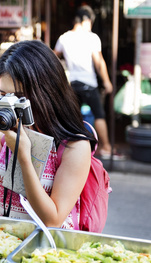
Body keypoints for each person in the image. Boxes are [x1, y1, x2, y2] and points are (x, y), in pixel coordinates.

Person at [0, 40, 97, 229]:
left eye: (19, 98)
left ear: (46, 92)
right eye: (3, 95)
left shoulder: (73, 146)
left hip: (42, 254)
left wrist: (25, 158)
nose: (9, 105)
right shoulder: (6, 134)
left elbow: (52, 220)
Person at [54, 5, 121, 160]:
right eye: (90, 22)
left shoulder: (64, 38)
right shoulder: (91, 37)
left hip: (73, 84)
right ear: (85, 20)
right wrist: (107, 82)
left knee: (71, 116)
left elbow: (53, 56)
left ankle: (67, 147)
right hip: (89, 83)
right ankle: (106, 147)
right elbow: (99, 62)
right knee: (99, 114)